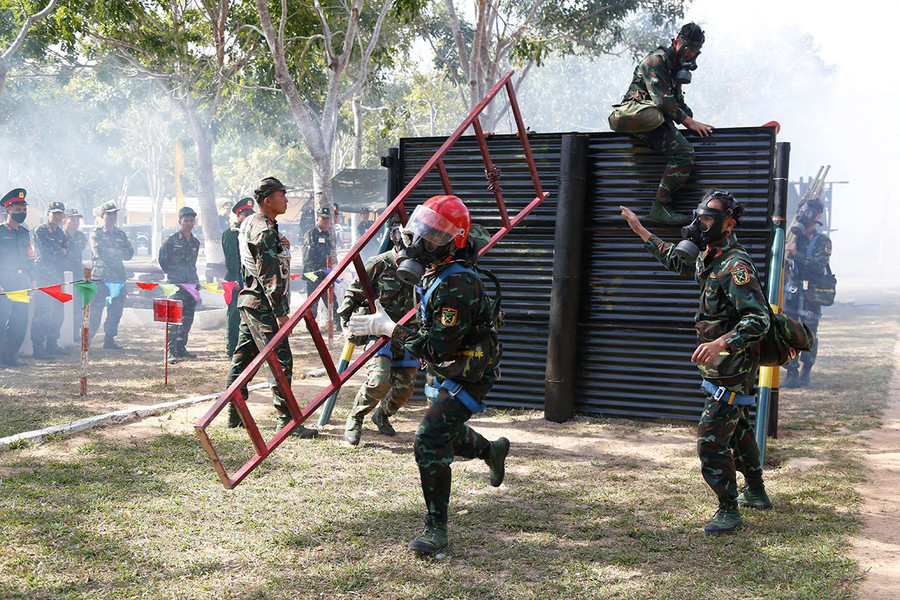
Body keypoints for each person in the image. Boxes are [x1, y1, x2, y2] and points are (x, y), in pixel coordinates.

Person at [348, 195, 509, 555]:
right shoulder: (438, 274)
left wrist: (389, 329)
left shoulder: (456, 285)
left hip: (468, 375)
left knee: (428, 439)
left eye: (436, 236)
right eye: (422, 231)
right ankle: (491, 451)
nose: (421, 244)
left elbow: (439, 349)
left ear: (456, 243)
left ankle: (436, 529)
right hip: (449, 369)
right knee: (445, 432)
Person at [620, 189, 772, 535]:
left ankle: (728, 509)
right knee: (740, 425)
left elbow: (759, 319)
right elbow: (677, 260)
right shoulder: (711, 257)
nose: (698, 225)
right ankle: (757, 491)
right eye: (699, 217)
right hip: (723, 364)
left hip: (733, 364)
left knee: (710, 438)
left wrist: (721, 342)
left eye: (707, 219)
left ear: (728, 224)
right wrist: (641, 230)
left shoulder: (735, 266)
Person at [225, 176, 318, 438]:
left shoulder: (255, 224)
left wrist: (281, 246)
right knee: (280, 361)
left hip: (250, 301)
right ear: (268, 200)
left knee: (243, 360)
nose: (286, 200)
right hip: (263, 304)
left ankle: (234, 414)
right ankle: (287, 421)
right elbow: (269, 274)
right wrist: (280, 314)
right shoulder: (263, 228)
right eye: (282, 195)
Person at [612, 22, 714, 225]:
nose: (691, 55)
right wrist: (689, 122)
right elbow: (662, 100)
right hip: (639, 115)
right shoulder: (657, 60)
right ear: (677, 43)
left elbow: (677, 102)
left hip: (654, 118)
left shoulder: (674, 68)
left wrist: (691, 119)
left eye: (695, 52)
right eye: (688, 50)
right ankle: (660, 205)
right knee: (684, 153)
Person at [338, 219, 418, 446]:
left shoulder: (423, 267)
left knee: (405, 390)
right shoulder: (379, 264)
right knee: (378, 381)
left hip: (406, 334)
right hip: (379, 335)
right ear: (395, 237)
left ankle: (381, 415)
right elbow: (352, 295)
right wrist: (347, 325)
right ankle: (356, 416)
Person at [783, 198, 832, 388]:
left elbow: (819, 266)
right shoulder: (792, 238)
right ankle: (792, 372)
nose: (805, 214)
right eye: (802, 210)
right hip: (792, 291)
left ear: (818, 216)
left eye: (809, 212)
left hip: (811, 294)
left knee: (809, 334)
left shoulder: (822, 241)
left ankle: (806, 370)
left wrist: (796, 255)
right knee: (788, 332)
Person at [89, 201, 134, 349]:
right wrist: (115, 251)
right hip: (100, 278)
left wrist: (113, 251)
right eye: (109, 214)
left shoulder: (120, 233)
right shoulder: (96, 233)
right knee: (95, 311)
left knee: (116, 310)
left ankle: (109, 340)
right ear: (102, 216)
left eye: (114, 213)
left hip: (117, 278)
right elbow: (98, 252)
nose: (112, 216)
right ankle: (86, 340)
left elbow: (129, 254)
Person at [159, 206, 201, 363]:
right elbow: (163, 260)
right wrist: (174, 274)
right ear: (179, 222)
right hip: (175, 285)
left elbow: (193, 264)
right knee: (173, 319)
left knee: (187, 318)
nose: (189, 223)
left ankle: (181, 348)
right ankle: (170, 351)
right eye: (186, 220)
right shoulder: (171, 240)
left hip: (191, 285)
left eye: (191, 220)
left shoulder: (196, 242)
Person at [0, 188, 34, 367]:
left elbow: (30, 257)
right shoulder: (0, 232)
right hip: (4, 283)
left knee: (19, 322)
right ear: (8, 210)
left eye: (24, 210)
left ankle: (9, 357)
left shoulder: (24, 233)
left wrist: (33, 279)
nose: (22, 213)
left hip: (21, 283)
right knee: (1, 320)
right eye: (18, 210)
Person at [31, 201, 70, 358]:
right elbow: (45, 255)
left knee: (57, 312)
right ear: (48, 214)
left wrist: (59, 252)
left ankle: (52, 344)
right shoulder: (40, 231)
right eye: (54, 213)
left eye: (60, 213)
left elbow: (67, 253)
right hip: (44, 278)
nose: (57, 216)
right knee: (43, 313)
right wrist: (60, 252)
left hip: (57, 278)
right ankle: (38, 348)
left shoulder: (60, 233)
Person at [222, 197, 254, 358]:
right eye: (245, 214)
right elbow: (232, 260)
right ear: (238, 215)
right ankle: (231, 347)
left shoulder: (249, 233)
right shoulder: (231, 234)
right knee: (234, 313)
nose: (248, 217)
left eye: (251, 213)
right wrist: (237, 280)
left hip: (249, 279)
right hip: (235, 280)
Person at [301, 206, 341, 332]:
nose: (325, 221)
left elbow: (331, 254)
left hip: (326, 273)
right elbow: (307, 257)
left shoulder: (329, 235)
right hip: (313, 274)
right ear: (317, 219)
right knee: (312, 303)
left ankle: (337, 324)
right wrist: (314, 274)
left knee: (331, 300)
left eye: (327, 219)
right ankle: (311, 327)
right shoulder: (311, 234)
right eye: (323, 218)